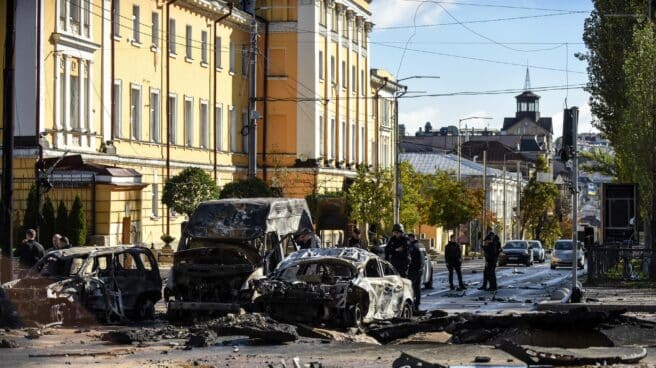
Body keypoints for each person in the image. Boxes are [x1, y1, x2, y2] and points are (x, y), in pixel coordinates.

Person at [407, 233, 423, 311]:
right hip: (420, 269)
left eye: (409, 239)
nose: (408, 241)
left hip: (413, 269)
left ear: (411, 238)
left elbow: (409, 258)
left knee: (411, 287)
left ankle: (412, 305)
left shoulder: (412, 246)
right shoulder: (421, 245)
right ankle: (417, 304)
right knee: (418, 288)